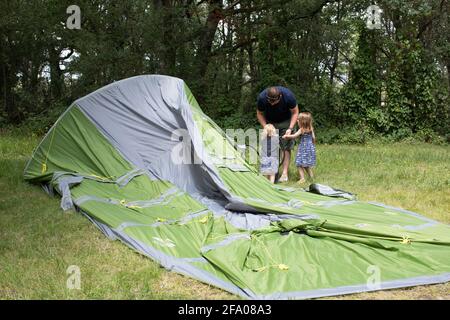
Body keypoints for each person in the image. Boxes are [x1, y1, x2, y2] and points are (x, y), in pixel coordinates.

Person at [256, 86, 299, 182]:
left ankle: (284, 173)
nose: (272, 104)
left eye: (274, 102)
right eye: (270, 102)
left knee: (286, 147)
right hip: (270, 122)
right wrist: (265, 126)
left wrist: (290, 128)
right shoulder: (262, 98)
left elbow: (295, 112)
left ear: (280, 97)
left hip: (286, 121)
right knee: (270, 147)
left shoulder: (288, 96)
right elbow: (259, 113)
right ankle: (270, 172)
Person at [283, 112, 316, 184]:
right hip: (310, 148)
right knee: (306, 164)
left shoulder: (301, 129)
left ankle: (302, 178)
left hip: (303, 149)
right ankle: (311, 177)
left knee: (299, 164)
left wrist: (286, 136)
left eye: (298, 120)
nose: (297, 121)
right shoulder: (311, 128)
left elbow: (294, 136)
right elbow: (313, 137)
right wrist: (312, 145)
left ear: (302, 122)